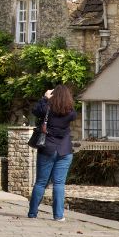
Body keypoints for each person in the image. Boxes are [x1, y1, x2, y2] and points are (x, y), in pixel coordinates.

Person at [27, 84, 77, 222]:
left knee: (41, 183)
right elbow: (73, 113)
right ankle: (58, 215)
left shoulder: (46, 108)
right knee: (59, 184)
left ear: (54, 96)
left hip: (47, 148)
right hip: (65, 150)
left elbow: (35, 110)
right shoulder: (70, 112)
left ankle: (32, 213)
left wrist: (45, 98)